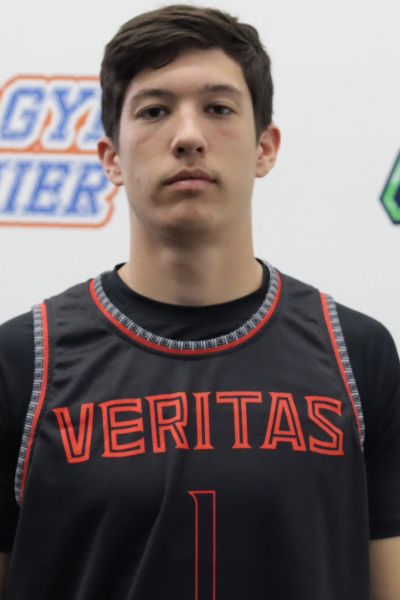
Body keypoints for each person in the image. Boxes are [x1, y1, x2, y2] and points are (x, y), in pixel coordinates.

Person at [0, 4, 400, 599]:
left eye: (218, 108)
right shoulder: (23, 363)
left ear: (265, 148)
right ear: (111, 158)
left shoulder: (358, 356)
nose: (188, 136)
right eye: (154, 110)